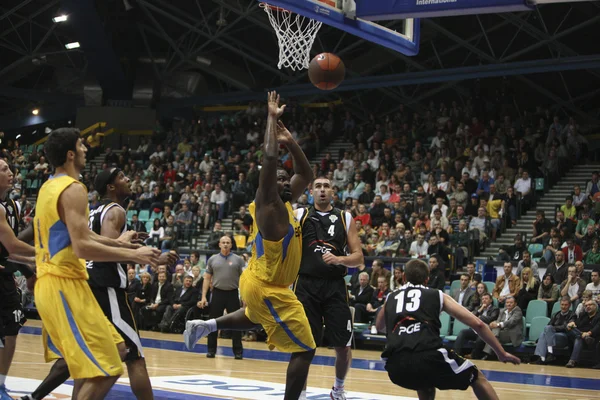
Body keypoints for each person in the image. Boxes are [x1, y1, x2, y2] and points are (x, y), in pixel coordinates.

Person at [184, 92, 315, 400]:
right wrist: (271, 119)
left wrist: (290, 140)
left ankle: (207, 326)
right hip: (270, 285)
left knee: (255, 315)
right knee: (305, 348)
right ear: (270, 184)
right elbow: (269, 160)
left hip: (259, 279)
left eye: (286, 180)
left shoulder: (283, 202)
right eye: (281, 179)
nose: (286, 182)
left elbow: (305, 174)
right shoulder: (269, 205)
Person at [33, 128, 160, 400]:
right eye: (81, 145)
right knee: (110, 365)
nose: (86, 149)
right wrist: (133, 256)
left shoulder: (48, 186)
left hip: (59, 282)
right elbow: (81, 247)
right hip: (64, 282)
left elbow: (85, 235)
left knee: (104, 359)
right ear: (70, 154)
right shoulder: (74, 188)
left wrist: (124, 246)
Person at [376, 259, 520, 400]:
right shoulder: (437, 295)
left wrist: (403, 328)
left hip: (395, 365)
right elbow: (479, 324)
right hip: (428, 356)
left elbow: (379, 326)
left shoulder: (391, 297)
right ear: (427, 279)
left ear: (404, 277)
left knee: (425, 385)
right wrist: (501, 352)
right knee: (477, 377)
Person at [293, 176, 364, 399]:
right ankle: (301, 393)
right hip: (305, 285)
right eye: (318, 187)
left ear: (333, 192)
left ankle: (338, 389)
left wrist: (340, 259)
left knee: (343, 346)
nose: (322, 190)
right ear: (311, 192)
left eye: (326, 186)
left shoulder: (345, 217)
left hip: (334, 287)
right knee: (304, 345)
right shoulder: (299, 215)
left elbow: (359, 257)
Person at [0, 159, 37, 399]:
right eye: (4, 169)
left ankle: (1, 385)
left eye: (10, 168)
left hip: (4, 277)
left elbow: (9, 250)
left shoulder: (12, 206)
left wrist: (29, 272)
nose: (11, 172)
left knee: (11, 330)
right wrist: (49, 254)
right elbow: (13, 245)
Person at [198, 235, 245, 359]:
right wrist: (203, 297)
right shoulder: (212, 259)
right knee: (213, 323)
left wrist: (245, 296)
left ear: (231, 245)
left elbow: (244, 279)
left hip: (233, 293)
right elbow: (207, 278)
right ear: (219, 244)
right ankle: (211, 350)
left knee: (237, 323)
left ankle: (238, 352)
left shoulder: (238, 260)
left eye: (227, 242)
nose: (225, 244)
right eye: (223, 242)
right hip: (218, 293)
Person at [533, 296, 574, 364]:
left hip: (564, 337)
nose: (563, 307)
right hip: (552, 338)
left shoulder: (572, 315)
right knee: (543, 334)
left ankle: (549, 353)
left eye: (566, 305)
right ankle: (542, 358)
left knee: (547, 330)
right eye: (562, 304)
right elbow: (548, 327)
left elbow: (566, 327)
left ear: (569, 305)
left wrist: (553, 329)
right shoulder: (555, 314)